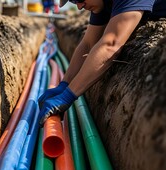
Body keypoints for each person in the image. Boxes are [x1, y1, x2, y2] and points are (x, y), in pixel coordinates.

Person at [38, 0, 166, 126]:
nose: (79, 7)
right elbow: (88, 44)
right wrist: (64, 84)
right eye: (73, 1)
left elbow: (111, 45)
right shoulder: (101, 3)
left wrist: (67, 96)